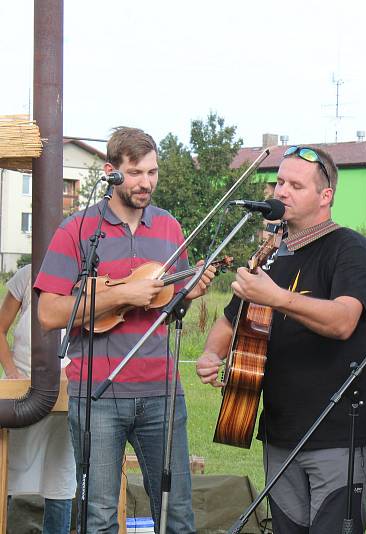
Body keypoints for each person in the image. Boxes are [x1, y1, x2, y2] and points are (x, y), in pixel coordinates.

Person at [34, 127, 215, 533]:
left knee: (176, 514)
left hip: (161, 393)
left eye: (152, 172)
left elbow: (169, 308)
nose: (145, 182)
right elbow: (48, 312)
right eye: (135, 172)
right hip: (97, 393)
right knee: (98, 517)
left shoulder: (169, 228)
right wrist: (121, 295)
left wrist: (189, 294)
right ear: (111, 171)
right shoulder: (77, 230)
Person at [195, 145, 366, 534]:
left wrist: (277, 297)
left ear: (325, 196)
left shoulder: (349, 248)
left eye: (296, 185)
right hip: (279, 431)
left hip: (336, 432)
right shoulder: (269, 256)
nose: (282, 192)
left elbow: (345, 321)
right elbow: (231, 321)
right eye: (279, 182)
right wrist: (212, 354)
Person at [1, 264, 75, 533]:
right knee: (6, 469)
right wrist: (12, 372)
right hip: (22, 393)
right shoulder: (25, 275)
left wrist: (71, 371)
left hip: (67, 388)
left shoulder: (86, 276)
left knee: (60, 474)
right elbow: (0, 329)